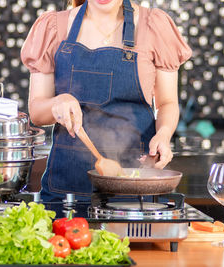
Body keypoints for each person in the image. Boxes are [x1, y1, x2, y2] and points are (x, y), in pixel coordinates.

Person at [21, 0, 192, 202]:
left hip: (136, 182)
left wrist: (163, 135)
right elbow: (37, 112)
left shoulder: (153, 26)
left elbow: (167, 103)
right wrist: (58, 102)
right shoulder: (53, 27)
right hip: (68, 186)